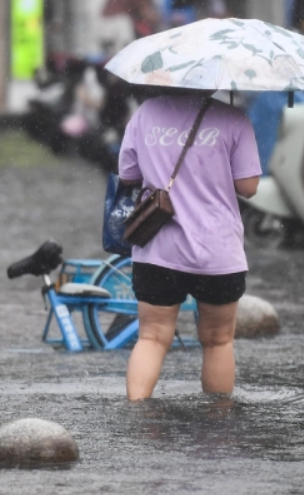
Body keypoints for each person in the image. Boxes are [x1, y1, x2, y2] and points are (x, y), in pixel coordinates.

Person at [117, 87, 262, 401]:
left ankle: (137, 414)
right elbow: (248, 187)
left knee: (152, 338)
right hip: (217, 252)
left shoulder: (146, 113)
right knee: (218, 341)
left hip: (157, 248)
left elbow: (127, 175)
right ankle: (217, 422)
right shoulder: (234, 119)